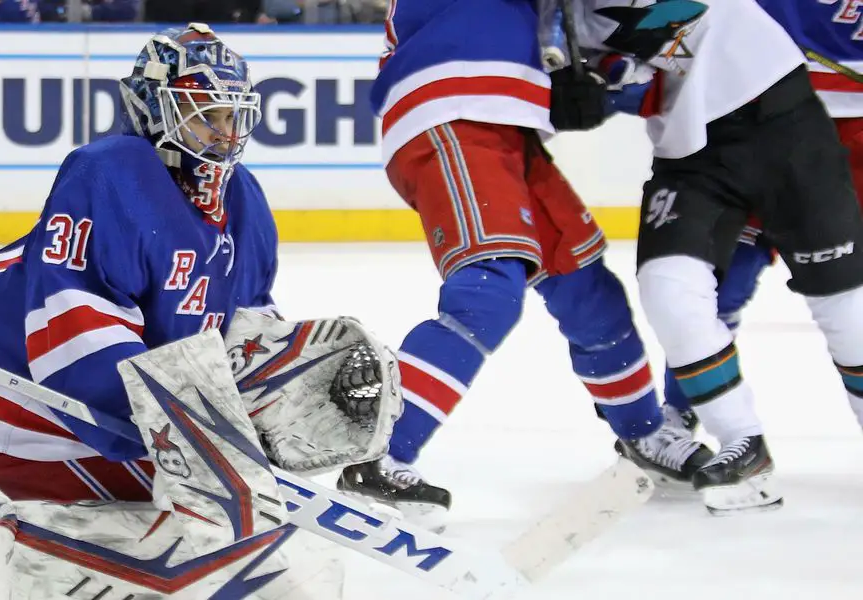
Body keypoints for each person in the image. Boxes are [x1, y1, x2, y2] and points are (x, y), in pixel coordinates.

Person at [0, 24, 387, 599]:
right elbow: (76, 334)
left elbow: (243, 340)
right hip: (24, 405)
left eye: (232, 116)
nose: (223, 133)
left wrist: (269, 418)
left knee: (240, 519)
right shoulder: (112, 171)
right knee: (224, 534)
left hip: (133, 410)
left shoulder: (244, 200)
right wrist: (194, 443)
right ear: (152, 108)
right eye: (204, 114)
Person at [335, 0, 713, 524]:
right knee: (487, 294)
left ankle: (644, 432)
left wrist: (603, 79)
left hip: (508, 121)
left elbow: (592, 36)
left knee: (587, 289)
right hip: (452, 97)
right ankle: (376, 457)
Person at [559, 0, 863, 514]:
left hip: (794, 130)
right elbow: (616, 70)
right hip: (699, 150)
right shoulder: (558, 16)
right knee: (677, 288)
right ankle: (737, 441)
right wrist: (586, 91)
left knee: (845, 307)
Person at [657, 0, 863, 437]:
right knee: (719, 279)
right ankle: (680, 412)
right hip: (759, 114)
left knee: (849, 299)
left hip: (851, 130)